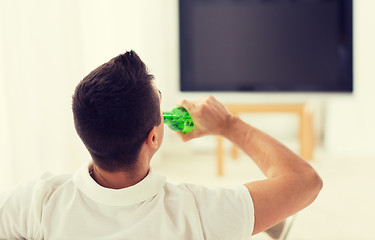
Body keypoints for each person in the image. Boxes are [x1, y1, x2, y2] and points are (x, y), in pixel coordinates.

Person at [0, 50, 322, 239]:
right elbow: (305, 182)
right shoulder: (197, 211)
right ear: (153, 137)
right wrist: (229, 125)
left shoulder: (39, 202)